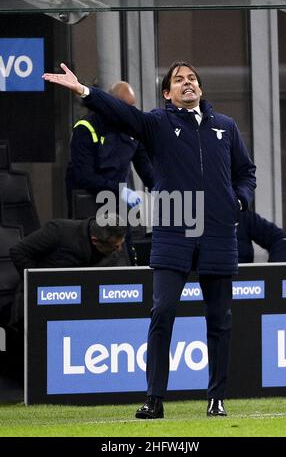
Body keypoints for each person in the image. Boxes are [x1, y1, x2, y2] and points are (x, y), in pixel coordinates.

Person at [43, 61, 256, 418]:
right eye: (178, 80)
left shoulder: (226, 127)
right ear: (167, 94)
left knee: (220, 319)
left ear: (200, 90)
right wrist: (83, 91)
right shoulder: (157, 123)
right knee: (163, 312)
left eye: (192, 79)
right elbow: (120, 111)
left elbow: (246, 172)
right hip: (174, 232)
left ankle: (216, 399)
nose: (187, 83)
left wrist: (239, 200)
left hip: (219, 235)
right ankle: (154, 400)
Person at [66, 81, 154, 265]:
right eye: (126, 107)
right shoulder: (85, 128)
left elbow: (144, 167)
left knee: (126, 252)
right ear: (111, 104)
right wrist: (120, 190)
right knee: (96, 256)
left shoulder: (133, 128)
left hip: (118, 202)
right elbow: (84, 176)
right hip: (90, 203)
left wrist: (163, 188)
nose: (131, 113)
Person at [9, 213, 127, 330]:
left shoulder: (113, 244)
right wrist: (40, 284)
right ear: (95, 241)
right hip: (40, 304)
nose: (120, 249)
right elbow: (19, 251)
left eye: (121, 243)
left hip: (83, 309)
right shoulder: (59, 230)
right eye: (116, 247)